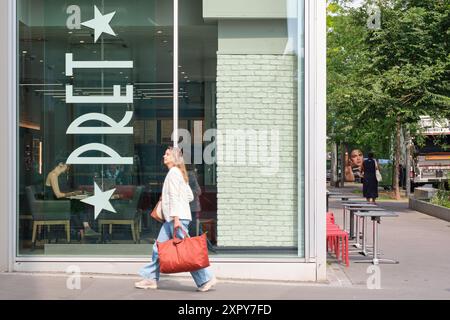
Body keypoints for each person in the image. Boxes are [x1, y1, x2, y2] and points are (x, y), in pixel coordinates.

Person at [135, 147, 217, 292]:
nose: (164, 156)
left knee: (187, 252)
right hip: (177, 218)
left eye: (167, 154)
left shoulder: (173, 173)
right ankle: (151, 279)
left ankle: (206, 279)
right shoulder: (180, 173)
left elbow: (173, 197)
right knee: (158, 248)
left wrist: (176, 218)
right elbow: (190, 196)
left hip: (176, 219)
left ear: (174, 158)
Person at [45, 161, 100, 237]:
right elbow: (58, 195)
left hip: (57, 202)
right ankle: (84, 229)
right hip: (53, 204)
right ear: (61, 165)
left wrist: (74, 193)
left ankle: (82, 230)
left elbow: (62, 192)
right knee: (77, 204)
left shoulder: (57, 175)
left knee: (78, 205)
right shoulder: (53, 175)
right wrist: (72, 194)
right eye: (67, 166)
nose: (68, 169)